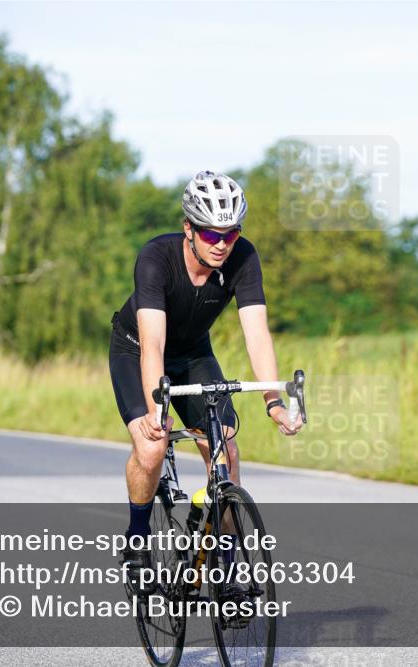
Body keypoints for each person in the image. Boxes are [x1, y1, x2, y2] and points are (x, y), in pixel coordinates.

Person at [108, 170, 303, 585]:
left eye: (231, 234)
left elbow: (257, 334)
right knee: (152, 446)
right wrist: (157, 411)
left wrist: (273, 403)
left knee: (225, 447)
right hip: (137, 350)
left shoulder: (243, 257)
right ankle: (137, 539)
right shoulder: (156, 258)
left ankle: (226, 567)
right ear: (189, 229)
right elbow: (153, 343)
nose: (222, 244)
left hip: (194, 354)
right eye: (211, 234)